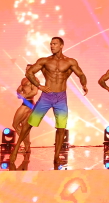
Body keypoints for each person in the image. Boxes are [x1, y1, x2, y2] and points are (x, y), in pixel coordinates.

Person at [25, 37, 88, 169]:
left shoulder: (70, 61)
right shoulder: (45, 60)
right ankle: (16, 149)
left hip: (61, 97)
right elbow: (29, 73)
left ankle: (56, 156)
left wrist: (84, 85)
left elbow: (81, 74)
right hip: (46, 96)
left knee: (61, 127)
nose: (52, 46)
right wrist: (39, 86)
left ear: (61, 46)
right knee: (31, 123)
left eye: (54, 44)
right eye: (51, 44)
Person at [9, 65, 41, 170]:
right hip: (26, 103)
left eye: (29, 69)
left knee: (15, 124)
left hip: (29, 104)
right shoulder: (24, 79)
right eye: (26, 69)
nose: (27, 71)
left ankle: (27, 144)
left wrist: (24, 96)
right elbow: (19, 89)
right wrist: (19, 93)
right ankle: (27, 147)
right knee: (24, 127)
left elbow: (34, 91)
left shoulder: (34, 79)